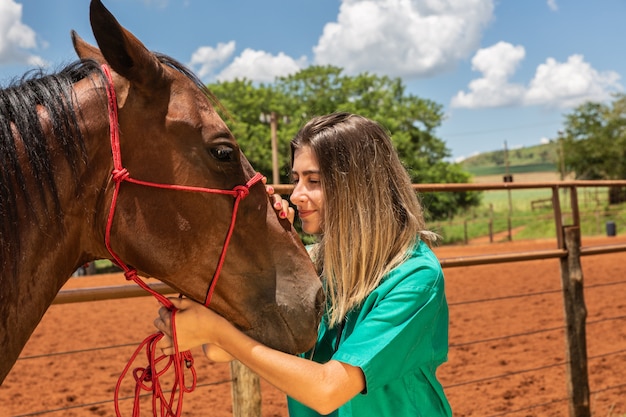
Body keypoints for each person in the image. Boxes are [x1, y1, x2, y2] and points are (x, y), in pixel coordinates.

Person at [154, 112, 452, 416]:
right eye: (295, 180)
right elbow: (218, 351)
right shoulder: (312, 264)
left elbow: (327, 390)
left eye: (314, 181)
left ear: (361, 187)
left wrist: (216, 331)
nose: (296, 195)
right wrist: (271, 247)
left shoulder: (414, 277)